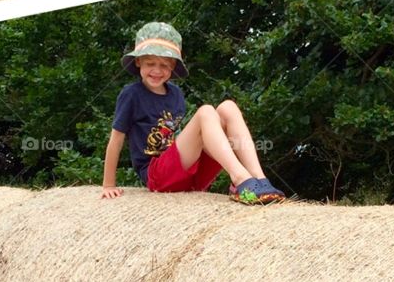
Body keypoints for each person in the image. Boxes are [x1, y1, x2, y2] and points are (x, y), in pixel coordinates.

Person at [101, 21, 285, 205]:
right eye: (150, 63)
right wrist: (109, 184)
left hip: (190, 176)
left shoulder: (176, 95)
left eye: (165, 65)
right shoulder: (131, 95)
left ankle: (260, 180)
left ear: (173, 66)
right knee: (205, 112)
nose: (157, 70)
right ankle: (241, 179)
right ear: (138, 61)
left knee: (228, 107)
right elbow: (116, 140)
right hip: (157, 175)